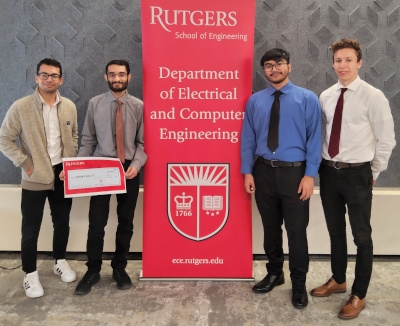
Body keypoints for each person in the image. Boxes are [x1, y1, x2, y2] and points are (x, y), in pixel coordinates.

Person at [310, 38, 396, 319]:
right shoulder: (326, 96)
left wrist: (372, 172)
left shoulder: (373, 96)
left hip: (358, 173)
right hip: (329, 172)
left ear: (359, 62)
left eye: (348, 60)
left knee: (362, 238)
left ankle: (358, 294)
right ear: (332, 63)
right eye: (338, 60)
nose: (342, 65)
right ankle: (338, 279)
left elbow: (387, 140)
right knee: (335, 232)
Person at [241, 48, 321, 309]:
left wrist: (310, 175)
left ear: (289, 66)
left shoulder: (307, 99)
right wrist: (248, 171)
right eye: (268, 66)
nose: (273, 69)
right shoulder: (255, 101)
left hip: (295, 173)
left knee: (297, 231)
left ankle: (299, 283)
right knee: (270, 227)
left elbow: (315, 140)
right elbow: (248, 138)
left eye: (278, 64)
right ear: (263, 70)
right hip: (263, 171)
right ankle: (275, 273)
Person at [0, 58, 78, 298]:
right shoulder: (21, 106)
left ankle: (60, 261)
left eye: (54, 75)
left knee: (62, 223)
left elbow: (73, 135)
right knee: (30, 228)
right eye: (44, 75)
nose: (49, 79)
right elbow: (4, 139)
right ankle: (30, 274)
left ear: (61, 80)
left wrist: (70, 162)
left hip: (63, 175)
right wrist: (27, 165)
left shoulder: (69, 106)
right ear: (36, 78)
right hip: (34, 175)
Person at [74, 59, 147, 295]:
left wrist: (136, 164)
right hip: (100, 167)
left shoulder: (138, 106)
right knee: (97, 222)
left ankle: (119, 268)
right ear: (106, 77)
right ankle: (93, 270)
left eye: (121, 74)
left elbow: (142, 143)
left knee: (125, 222)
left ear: (129, 77)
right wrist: (77, 167)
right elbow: (87, 140)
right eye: (112, 74)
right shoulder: (95, 104)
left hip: (128, 168)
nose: (117, 78)